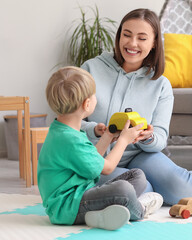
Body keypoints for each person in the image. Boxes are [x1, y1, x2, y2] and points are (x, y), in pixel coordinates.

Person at [81, 8, 192, 206]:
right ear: (119, 35)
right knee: (135, 188)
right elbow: (67, 122)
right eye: (127, 35)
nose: (132, 44)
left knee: (180, 190)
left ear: (154, 42)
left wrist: (147, 137)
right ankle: (153, 189)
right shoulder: (90, 69)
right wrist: (95, 130)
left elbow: (160, 138)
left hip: (140, 155)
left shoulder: (160, 84)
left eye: (142, 38)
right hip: (97, 158)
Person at [38, 66, 163, 231]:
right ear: (87, 103)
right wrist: (124, 140)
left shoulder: (64, 131)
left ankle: (101, 215)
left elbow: (92, 163)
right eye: (94, 95)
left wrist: (108, 136)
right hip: (67, 208)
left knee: (137, 175)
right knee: (123, 189)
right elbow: (107, 168)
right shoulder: (69, 139)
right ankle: (140, 209)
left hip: (81, 196)